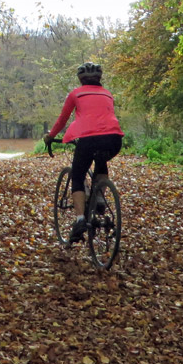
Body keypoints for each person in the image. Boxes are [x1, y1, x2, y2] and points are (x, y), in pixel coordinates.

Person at [44, 62, 124, 244]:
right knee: (101, 160)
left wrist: (50, 137)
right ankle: (99, 198)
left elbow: (62, 119)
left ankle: (80, 220)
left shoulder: (75, 94)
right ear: (99, 78)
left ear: (80, 79)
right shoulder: (107, 94)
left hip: (88, 139)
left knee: (78, 176)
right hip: (114, 138)